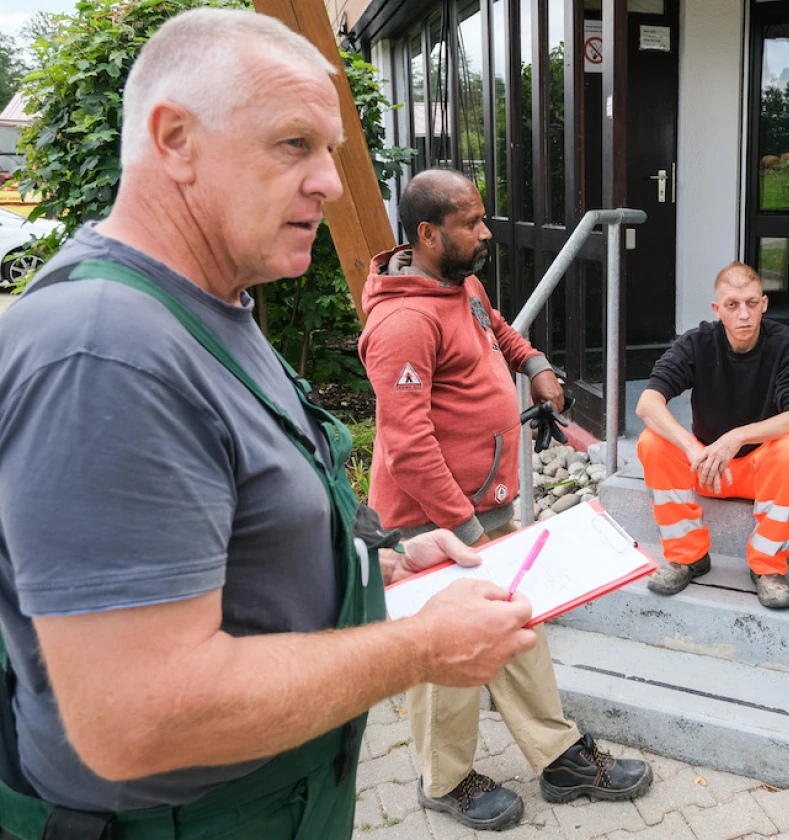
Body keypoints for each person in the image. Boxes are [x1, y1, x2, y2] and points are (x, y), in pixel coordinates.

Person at [0, 10, 537, 839]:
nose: (327, 179)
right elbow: (134, 717)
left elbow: (242, 528)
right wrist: (420, 648)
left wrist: (379, 560)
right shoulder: (103, 352)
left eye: (330, 150)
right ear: (175, 139)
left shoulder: (212, 308)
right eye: (294, 145)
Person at [359, 168, 652, 831]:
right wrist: (464, 528)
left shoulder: (458, 284)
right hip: (432, 523)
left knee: (519, 627)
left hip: (482, 508)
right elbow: (406, 444)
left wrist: (537, 367)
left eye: (483, 217)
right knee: (445, 658)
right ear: (429, 233)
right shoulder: (403, 322)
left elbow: (499, 331)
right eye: (472, 222)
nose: (486, 232)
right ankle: (445, 779)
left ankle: (558, 756)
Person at [635, 262, 789, 609]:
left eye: (751, 303)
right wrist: (691, 447)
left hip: (759, 473)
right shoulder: (698, 342)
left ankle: (767, 568)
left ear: (764, 303)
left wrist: (736, 436)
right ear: (717, 309)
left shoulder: (785, 345)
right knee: (651, 442)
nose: (743, 314)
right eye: (732, 305)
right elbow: (648, 404)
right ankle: (687, 557)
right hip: (707, 468)